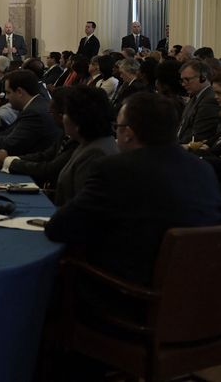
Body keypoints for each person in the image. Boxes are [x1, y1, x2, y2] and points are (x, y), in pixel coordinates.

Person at [45, 92, 221, 287]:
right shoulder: (203, 169)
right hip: (194, 293)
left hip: (126, 293)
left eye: (118, 128)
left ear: (128, 133)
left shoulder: (115, 168)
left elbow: (58, 228)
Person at [0, 87, 79, 189]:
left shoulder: (78, 142)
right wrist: (9, 160)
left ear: (62, 116)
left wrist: (8, 162)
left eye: (51, 113)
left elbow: (49, 169)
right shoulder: (66, 134)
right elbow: (44, 156)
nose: (50, 116)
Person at [47, 85, 118, 206]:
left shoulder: (95, 153)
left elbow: (82, 205)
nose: (62, 118)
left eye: (66, 113)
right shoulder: (88, 143)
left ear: (78, 119)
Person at [0, 70, 59, 155]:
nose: (6, 97)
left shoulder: (34, 112)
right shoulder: (33, 105)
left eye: (8, 93)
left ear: (19, 92)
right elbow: (9, 133)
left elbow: (12, 144)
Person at [177, 59, 219, 145]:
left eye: (187, 79)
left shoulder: (209, 100)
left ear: (203, 77)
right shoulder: (196, 96)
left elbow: (198, 136)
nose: (183, 84)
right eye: (182, 80)